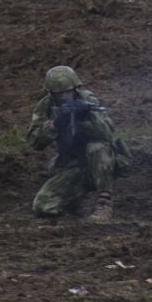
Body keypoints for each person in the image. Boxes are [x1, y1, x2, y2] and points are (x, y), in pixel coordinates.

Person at [26, 65, 131, 223]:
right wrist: (56, 124)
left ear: (75, 88)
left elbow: (108, 134)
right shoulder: (45, 106)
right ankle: (76, 198)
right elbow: (34, 142)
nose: (64, 96)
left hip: (98, 162)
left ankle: (104, 203)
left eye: (67, 92)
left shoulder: (88, 100)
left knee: (97, 146)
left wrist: (86, 119)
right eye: (59, 93)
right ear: (51, 93)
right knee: (43, 206)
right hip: (71, 165)